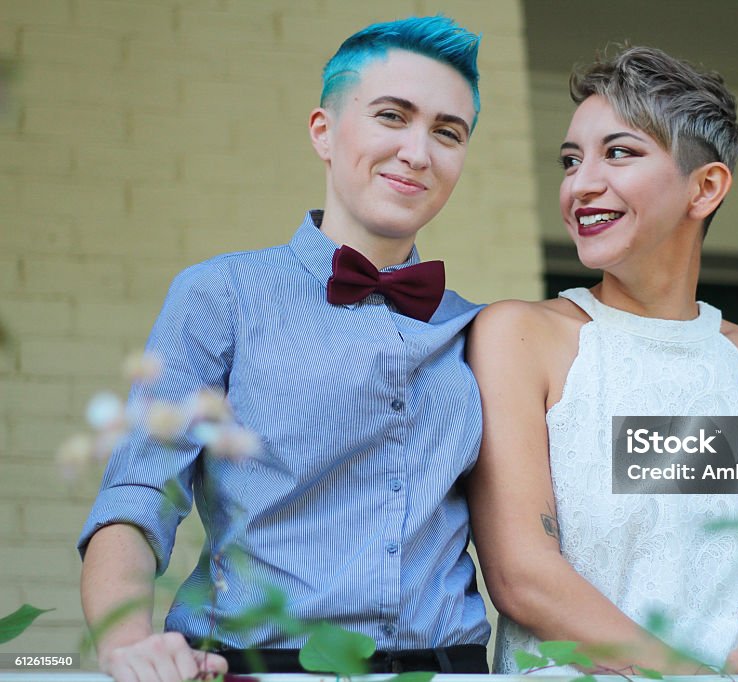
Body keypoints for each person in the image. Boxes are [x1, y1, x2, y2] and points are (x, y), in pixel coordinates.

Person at [77, 16, 492, 681]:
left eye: (448, 131)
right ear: (323, 132)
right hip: (260, 669)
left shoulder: (483, 330)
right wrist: (127, 644)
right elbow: (136, 494)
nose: (419, 151)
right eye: (393, 116)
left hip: (452, 670)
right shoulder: (221, 293)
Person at [467, 46, 738, 682]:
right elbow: (521, 573)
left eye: (619, 152)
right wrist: (698, 664)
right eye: (571, 160)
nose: (581, 183)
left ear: (706, 187)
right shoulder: (518, 336)